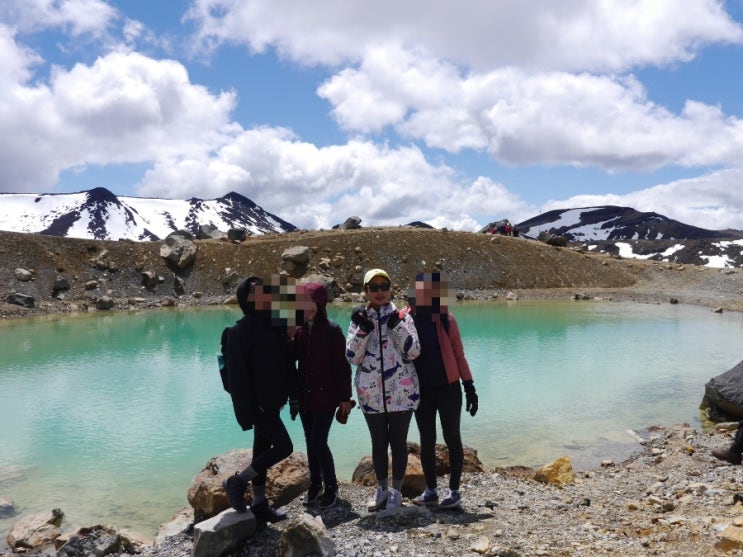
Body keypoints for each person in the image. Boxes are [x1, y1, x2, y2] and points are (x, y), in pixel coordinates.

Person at [221, 276, 296, 522]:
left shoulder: (276, 325)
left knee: (261, 450)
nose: (261, 296)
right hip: (258, 406)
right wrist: (248, 411)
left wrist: (293, 396)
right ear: (244, 299)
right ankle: (237, 481)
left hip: (274, 402)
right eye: (254, 293)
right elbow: (236, 379)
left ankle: (260, 503)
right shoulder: (238, 332)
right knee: (284, 447)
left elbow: (287, 361)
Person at [346, 268, 421, 511]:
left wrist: (397, 325)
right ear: (366, 291)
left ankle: (396, 492)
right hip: (371, 395)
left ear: (390, 290)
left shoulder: (403, 317)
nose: (380, 292)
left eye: (384, 287)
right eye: (374, 287)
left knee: (398, 444)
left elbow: (414, 351)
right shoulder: (359, 320)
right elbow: (352, 357)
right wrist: (363, 330)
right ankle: (381, 490)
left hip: (402, 393)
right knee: (378, 445)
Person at [408, 271, 478, 510]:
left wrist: (469, 387)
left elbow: (459, 355)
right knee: (426, 440)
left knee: (452, 438)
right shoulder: (406, 319)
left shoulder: (447, 319)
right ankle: (431, 491)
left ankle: (454, 491)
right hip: (421, 391)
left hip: (449, 389)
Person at [291, 282, 355, 509]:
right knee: (310, 442)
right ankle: (315, 484)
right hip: (305, 397)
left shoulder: (332, 330)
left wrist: (345, 398)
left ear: (319, 303)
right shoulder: (299, 330)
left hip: (326, 398)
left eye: (309, 302)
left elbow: (343, 368)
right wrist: (288, 336)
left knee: (318, 441)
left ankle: (331, 486)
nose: (305, 307)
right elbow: (290, 359)